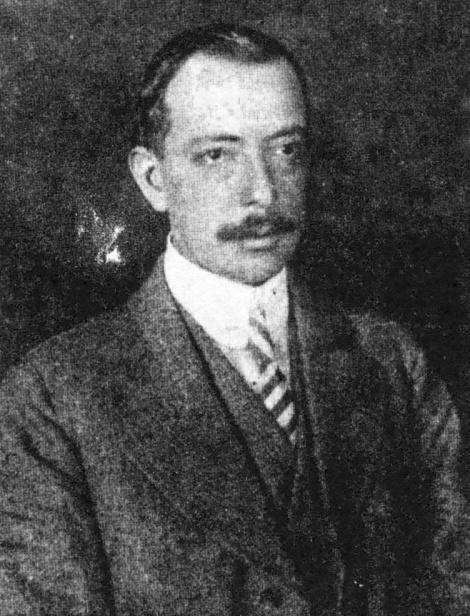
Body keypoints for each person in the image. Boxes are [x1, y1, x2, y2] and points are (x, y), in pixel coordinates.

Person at [0, 23, 468, 616]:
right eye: (218, 155)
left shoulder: (393, 363)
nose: (263, 193)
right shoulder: (50, 399)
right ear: (153, 179)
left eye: (285, 150)